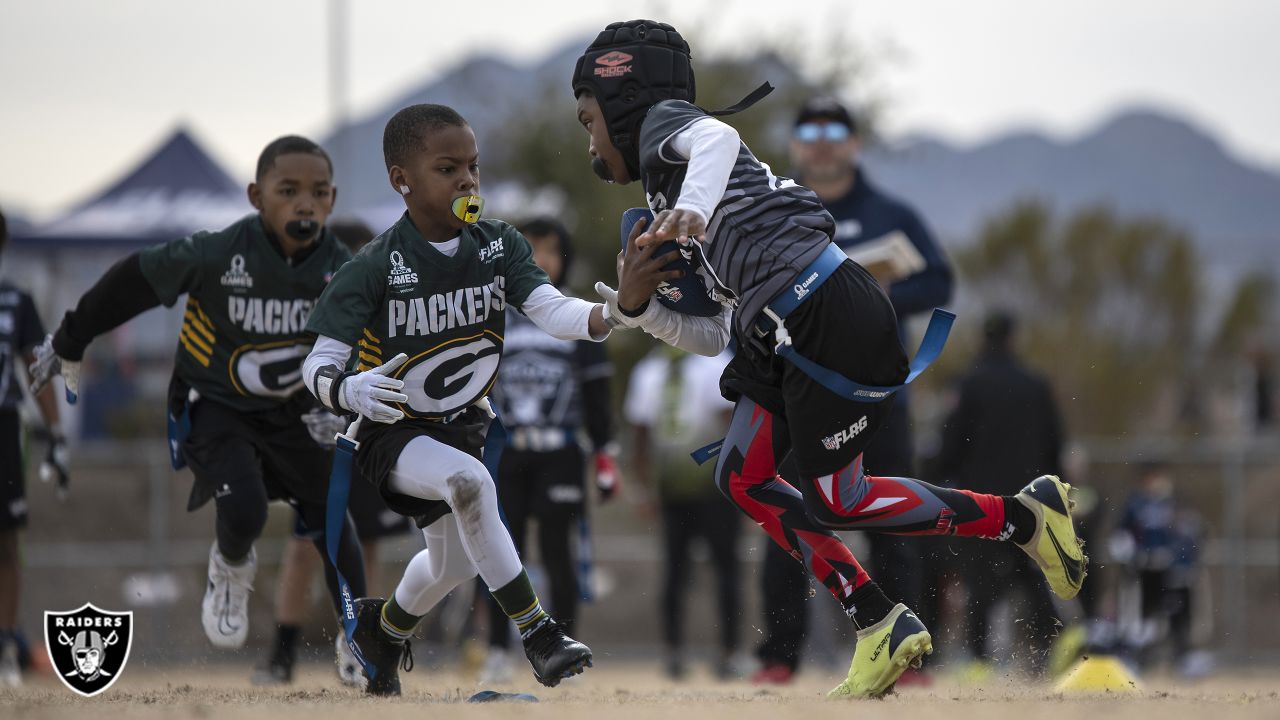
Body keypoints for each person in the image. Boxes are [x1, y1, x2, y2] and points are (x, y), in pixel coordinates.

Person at [572, 19, 1086, 698]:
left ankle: (1023, 519)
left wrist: (693, 210)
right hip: (773, 327)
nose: (588, 142)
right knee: (744, 477)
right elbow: (711, 332)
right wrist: (641, 308)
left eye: (588, 120)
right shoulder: (660, 200)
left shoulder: (674, 131)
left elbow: (718, 136)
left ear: (620, 106)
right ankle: (879, 621)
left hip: (824, 307)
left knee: (837, 496)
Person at [300, 103, 645, 695]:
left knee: (454, 565)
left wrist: (614, 310)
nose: (467, 180)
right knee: (470, 485)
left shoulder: (497, 245)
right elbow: (318, 362)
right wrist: (347, 387)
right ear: (401, 179)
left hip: (462, 425)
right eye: (447, 168)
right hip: (394, 429)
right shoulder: (375, 265)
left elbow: (550, 311)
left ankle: (381, 635)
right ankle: (538, 633)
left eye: (473, 166)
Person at [28, 137, 368, 657]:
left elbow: (367, 341)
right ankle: (229, 567)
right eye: (289, 190)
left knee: (332, 513)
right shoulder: (219, 252)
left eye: (318, 193)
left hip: (293, 409)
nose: (305, 203)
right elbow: (135, 278)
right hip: (217, 404)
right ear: (257, 196)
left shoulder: (342, 267)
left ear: (332, 200)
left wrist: (336, 404)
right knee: (247, 510)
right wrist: (72, 337)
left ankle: (360, 635)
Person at [754, 96, 955, 684]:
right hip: (797, 395)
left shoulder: (893, 212)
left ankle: (911, 655)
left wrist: (882, 300)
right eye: (809, 128)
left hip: (880, 396)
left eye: (835, 128)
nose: (822, 139)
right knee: (786, 518)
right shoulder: (775, 211)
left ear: (854, 142)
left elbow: (940, 280)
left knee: (895, 520)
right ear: (794, 145)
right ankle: (778, 656)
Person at [255, 219, 412, 687]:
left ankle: (361, 644)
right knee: (304, 544)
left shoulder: (389, 298)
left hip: (369, 438)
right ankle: (282, 652)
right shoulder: (316, 306)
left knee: (366, 545)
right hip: (317, 437)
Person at [479, 216, 619, 684]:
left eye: (552, 249)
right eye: (532, 248)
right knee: (501, 552)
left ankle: (565, 652)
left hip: (560, 451)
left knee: (560, 554)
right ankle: (497, 650)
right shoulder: (491, 315)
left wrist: (605, 455)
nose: (542, 259)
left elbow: (598, 394)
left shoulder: (577, 313)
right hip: (506, 453)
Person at [935, 311, 1064, 674]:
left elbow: (951, 444)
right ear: (1013, 337)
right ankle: (1050, 650)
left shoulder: (969, 384)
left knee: (980, 579)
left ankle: (978, 660)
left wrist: (939, 480)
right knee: (1032, 573)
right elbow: (1055, 444)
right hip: (1030, 500)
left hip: (982, 501)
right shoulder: (1036, 385)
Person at [624, 345, 738, 680]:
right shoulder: (709, 364)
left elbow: (641, 437)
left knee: (705, 571)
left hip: (702, 488)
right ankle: (689, 652)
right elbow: (733, 427)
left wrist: (643, 488)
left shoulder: (654, 369)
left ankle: (711, 652)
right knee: (690, 572)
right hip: (689, 488)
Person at [0, 207, 70, 687]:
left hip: (3, 425)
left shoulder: (15, 301)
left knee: (6, 539)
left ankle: (6, 643)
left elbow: (37, 370)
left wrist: (57, 436)